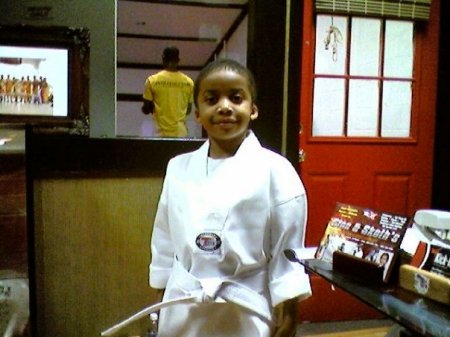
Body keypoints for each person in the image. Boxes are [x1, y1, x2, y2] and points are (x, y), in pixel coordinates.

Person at [149, 59, 311, 337]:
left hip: (246, 307)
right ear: (197, 113)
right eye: (212, 99)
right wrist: (160, 294)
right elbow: (164, 237)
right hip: (185, 303)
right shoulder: (178, 168)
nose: (224, 106)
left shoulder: (276, 170)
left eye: (236, 98)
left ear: (253, 109)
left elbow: (288, 245)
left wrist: (290, 307)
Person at [142, 46, 194, 137]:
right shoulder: (189, 82)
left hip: (160, 134)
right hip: (180, 133)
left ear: (163, 59)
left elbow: (146, 109)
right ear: (178, 60)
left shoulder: (152, 80)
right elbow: (188, 110)